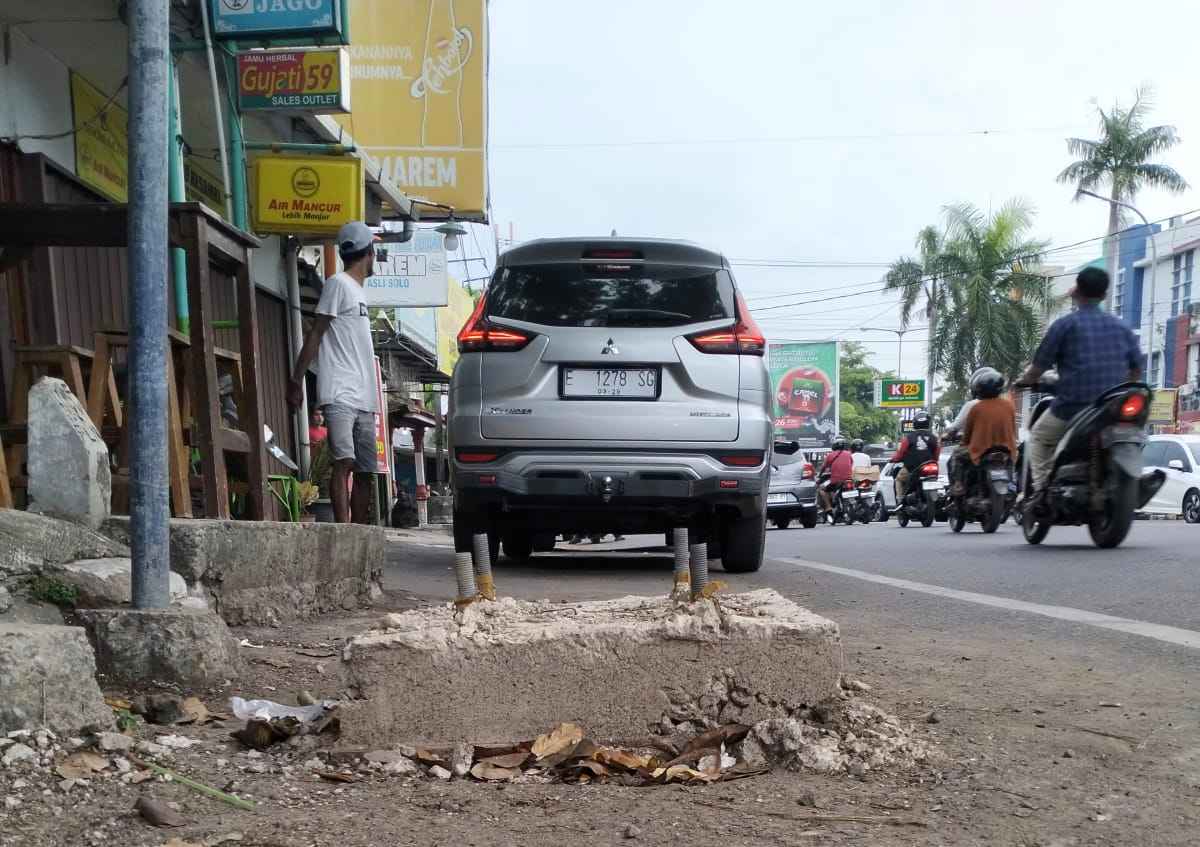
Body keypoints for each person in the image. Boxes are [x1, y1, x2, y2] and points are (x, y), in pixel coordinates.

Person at [1018, 267, 1142, 500]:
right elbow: (1136, 369)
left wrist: (1026, 380)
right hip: (1112, 408)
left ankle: (1042, 489)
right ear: (1104, 295)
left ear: (1076, 291)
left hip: (1072, 407)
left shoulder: (1064, 325)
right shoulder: (1123, 328)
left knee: (1039, 438)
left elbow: (1039, 366)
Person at [288, 221, 379, 524]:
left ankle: (360, 534)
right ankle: (343, 532)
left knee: (366, 471)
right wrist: (296, 379)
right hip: (340, 391)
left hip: (364, 398)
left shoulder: (359, 293)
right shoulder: (337, 284)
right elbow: (316, 333)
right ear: (369, 252)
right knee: (345, 462)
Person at [959, 369, 1018, 491]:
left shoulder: (976, 408)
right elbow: (1013, 429)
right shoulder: (1009, 406)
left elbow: (967, 435)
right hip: (1007, 451)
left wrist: (963, 444)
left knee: (957, 456)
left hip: (981, 451)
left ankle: (958, 486)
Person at [889, 412, 940, 501]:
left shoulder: (909, 438)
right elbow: (936, 455)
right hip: (930, 468)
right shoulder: (934, 438)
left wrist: (893, 459)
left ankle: (900, 500)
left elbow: (901, 453)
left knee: (899, 479)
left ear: (915, 423)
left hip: (911, 469)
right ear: (928, 423)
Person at [817, 437, 854, 517]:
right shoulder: (849, 454)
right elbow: (851, 464)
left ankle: (828, 507)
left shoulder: (830, 455)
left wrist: (819, 475)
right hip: (849, 479)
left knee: (821, 489)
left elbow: (823, 467)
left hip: (835, 480)